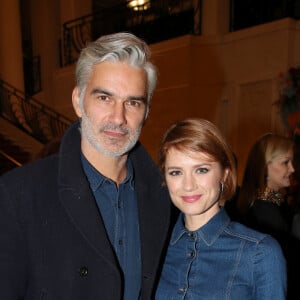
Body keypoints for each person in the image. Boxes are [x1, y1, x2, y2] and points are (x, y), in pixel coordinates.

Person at [0, 32, 174, 300]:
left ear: (146, 112)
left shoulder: (165, 197)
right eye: (104, 98)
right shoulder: (18, 195)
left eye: (133, 102)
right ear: (78, 101)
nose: (119, 118)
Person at [155, 118, 286, 299]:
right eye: (176, 172)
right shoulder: (153, 247)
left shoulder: (260, 252)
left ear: (224, 174)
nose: (188, 185)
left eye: (201, 170)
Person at [237, 133, 295, 250]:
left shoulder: (272, 200)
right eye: (285, 162)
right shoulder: (264, 209)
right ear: (265, 165)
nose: (292, 169)